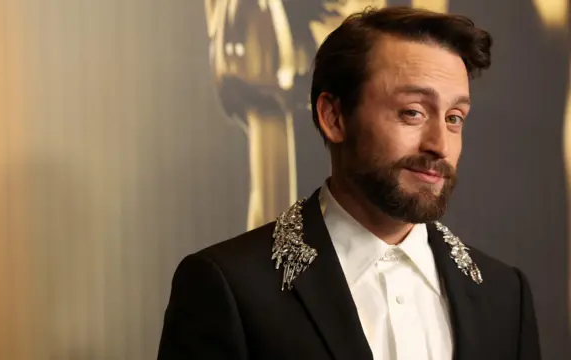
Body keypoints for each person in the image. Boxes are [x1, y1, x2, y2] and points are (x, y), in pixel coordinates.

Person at [157, 6, 541, 360]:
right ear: (334, 117)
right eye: (412, 112)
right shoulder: (228, 286)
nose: (440, 145)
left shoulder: (504, 294)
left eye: (455, 117)